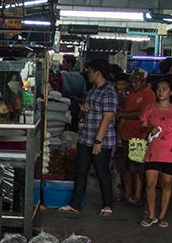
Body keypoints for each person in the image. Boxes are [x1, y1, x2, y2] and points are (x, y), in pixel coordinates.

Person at [60, 58, 118, 215]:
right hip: (85, 139)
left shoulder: (109, 92)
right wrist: (83, 113)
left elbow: (107, 118)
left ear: (97, 73)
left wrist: (98, 141)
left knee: (102, 172)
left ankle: (107, 205)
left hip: (102, 141)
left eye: (90, 72)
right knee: (80, 171)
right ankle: (75, 204)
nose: (88, 74)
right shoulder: (92, 91)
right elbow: (84, 115)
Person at [138, 79, 172, 228]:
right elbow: (142, 128)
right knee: (150, 183)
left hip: (171, 152)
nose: (161, 91)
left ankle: (161, 216)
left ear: (171, 92)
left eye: (164, 89)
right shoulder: (150, 108)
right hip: (153, 151)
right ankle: (151, 215)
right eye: (159, 88)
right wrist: (149, 129)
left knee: (167, 184)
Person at [115, 68, 156, 206]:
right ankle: (127, 193)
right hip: (126, 134)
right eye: (132, 82)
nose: (133, 84)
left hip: (139, 136)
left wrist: (122, 115)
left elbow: (141, 113)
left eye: (136, 82)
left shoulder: (149, 95)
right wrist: (119, 133)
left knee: (137, 167)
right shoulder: (131, 93)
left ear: (144, 81)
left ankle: (137, 195)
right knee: (125, 167)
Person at [58, 54, 87, 131]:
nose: (62, 64)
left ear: (69, 64)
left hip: (62, 107)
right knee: (73, 131)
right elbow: (84, 95)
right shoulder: (80, 77)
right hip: (75, 108)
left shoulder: (62, 75)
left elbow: (64, 91)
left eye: (64, 62)